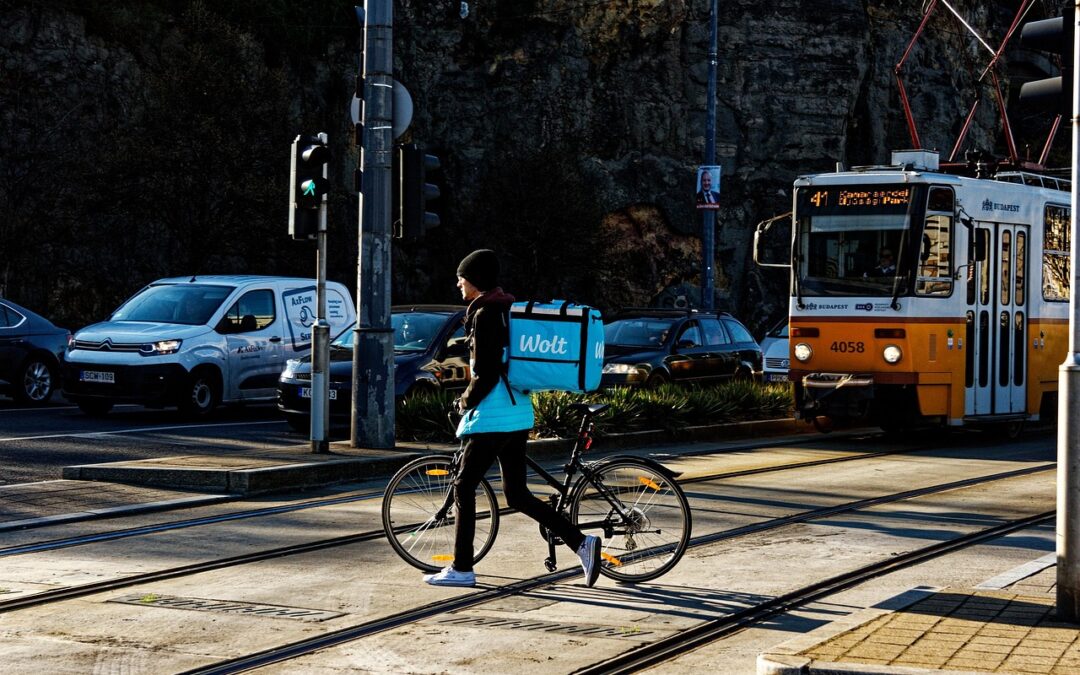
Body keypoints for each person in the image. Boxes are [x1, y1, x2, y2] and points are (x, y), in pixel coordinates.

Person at [422, 249, 601, 588]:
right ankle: (581, 543)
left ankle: (461, 568)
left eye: (462, 276)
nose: (458, 281)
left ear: (475, 280)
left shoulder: (486, 313)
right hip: (517, 410)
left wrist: (464, 400)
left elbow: (487, 371)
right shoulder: (504, 309)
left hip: (494, 415)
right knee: (517, 494)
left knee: (463, 485)